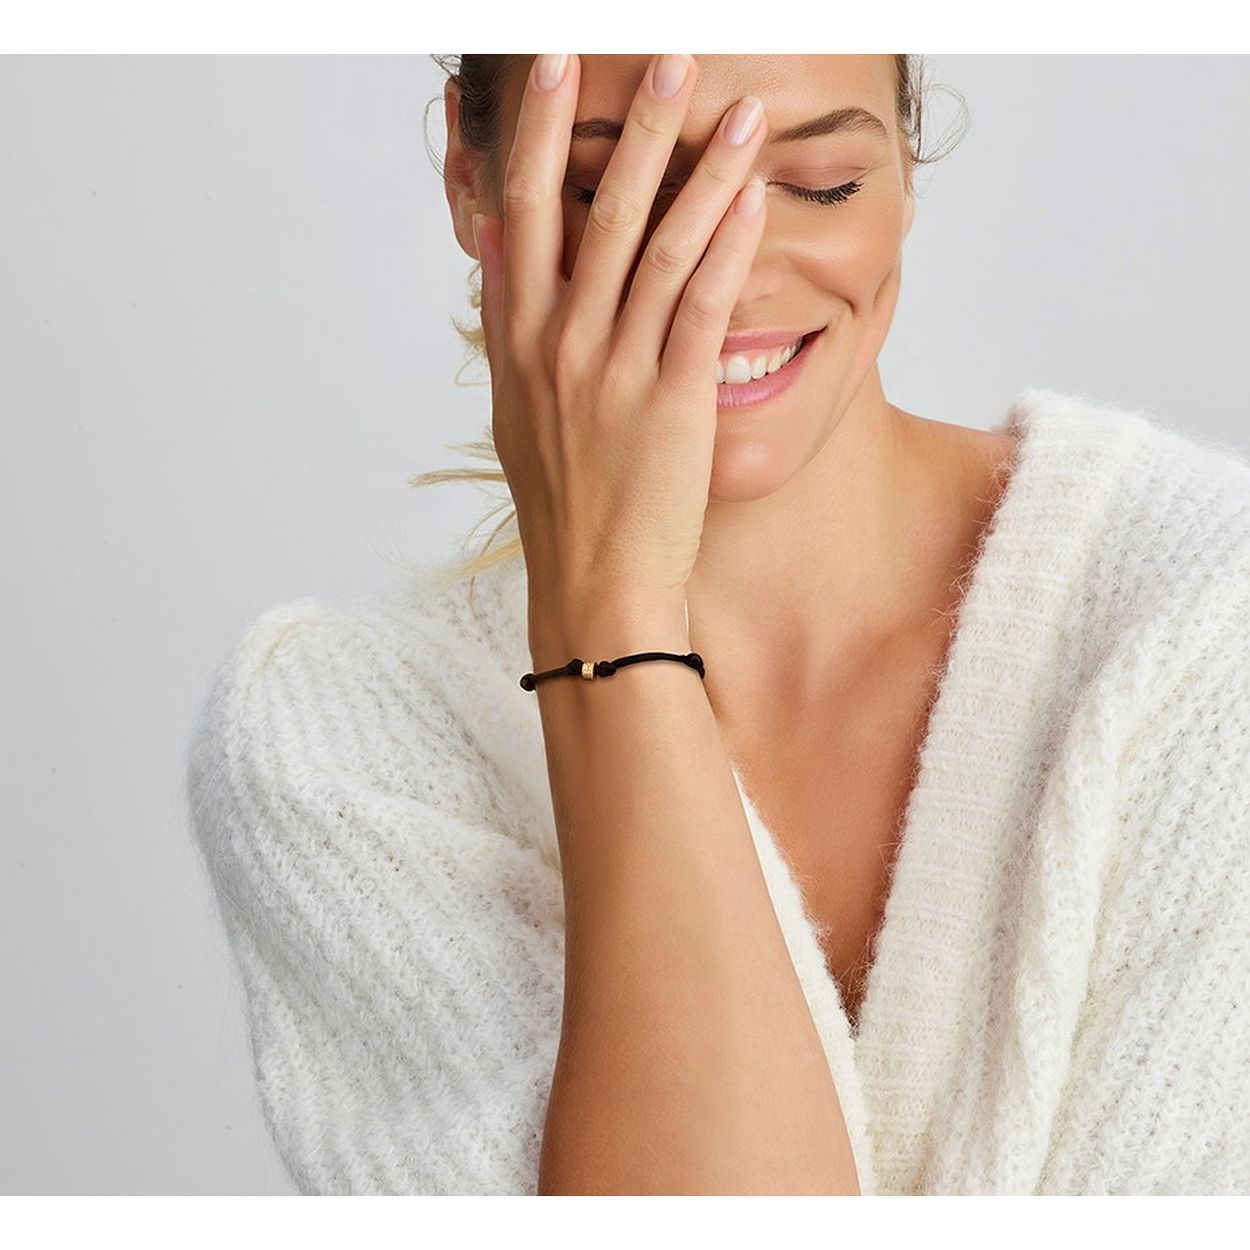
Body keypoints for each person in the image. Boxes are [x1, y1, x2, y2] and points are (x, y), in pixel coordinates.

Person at [185, 55, 1250, 1195]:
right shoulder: (337, 744)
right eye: (614, 188)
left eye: (822, 182)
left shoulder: (1200, 611)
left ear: (903, 165)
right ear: (469, 174)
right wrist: (608, 619)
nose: (723, 282)